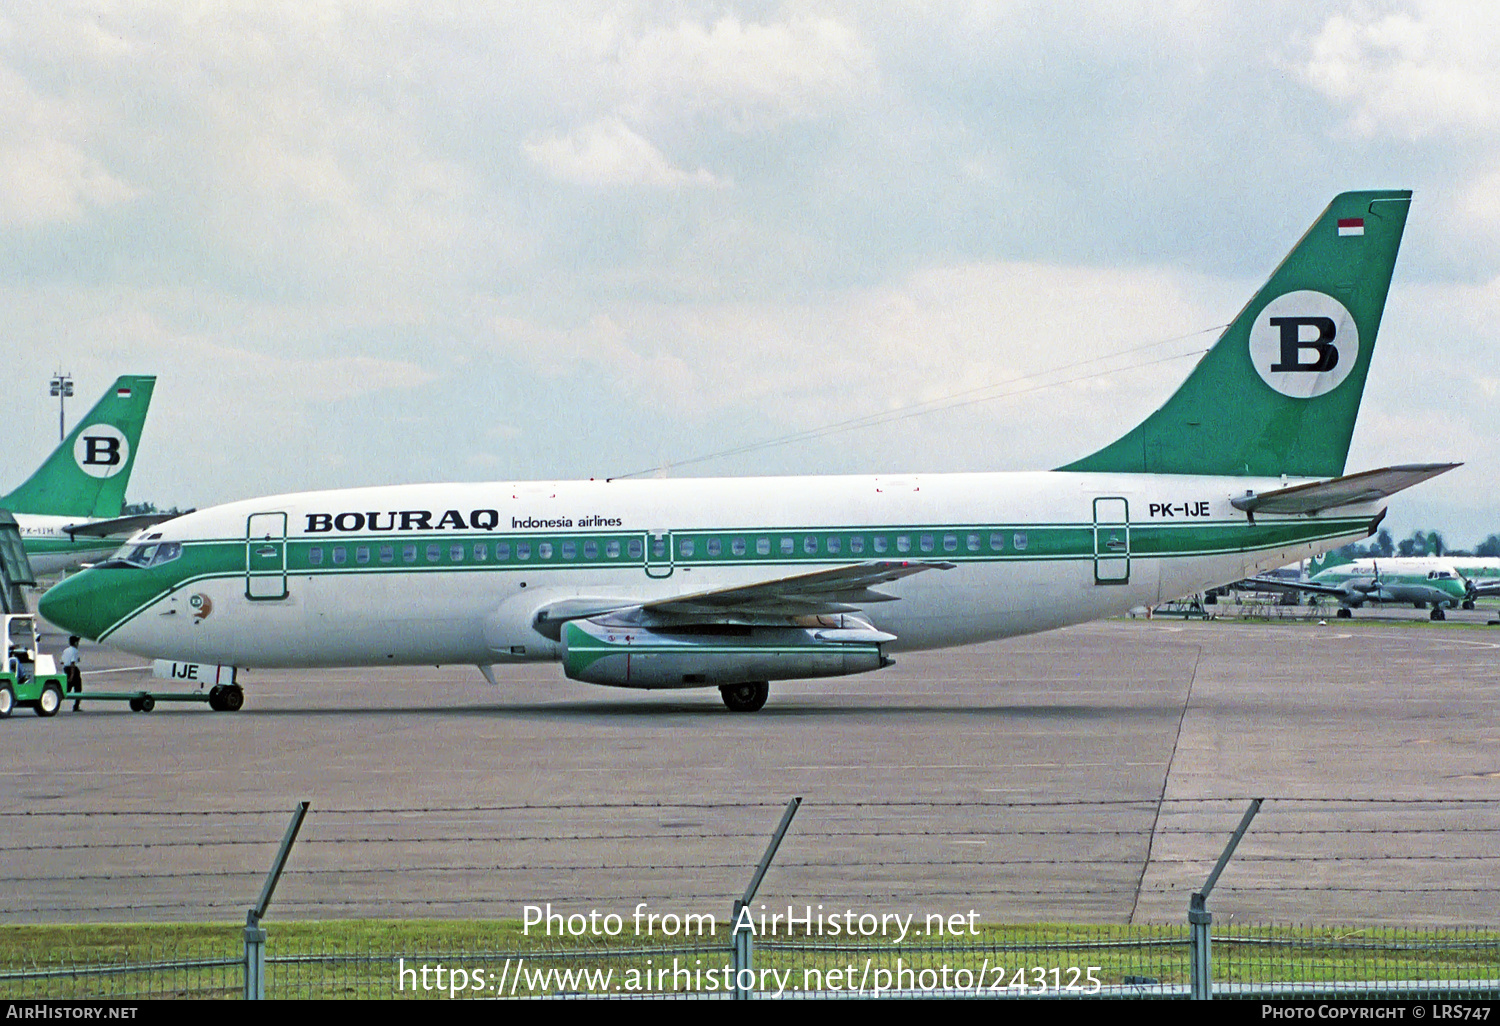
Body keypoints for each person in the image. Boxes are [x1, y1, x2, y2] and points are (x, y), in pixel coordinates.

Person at [61, 636, 82, 711]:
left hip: (66, 669)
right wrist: (72, 675)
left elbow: (62, 661)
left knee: (67, 688)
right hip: (73, 670)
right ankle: (76, 706)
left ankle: (57, 701)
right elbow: (73, 663)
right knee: (78, 689)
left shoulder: (66, 650)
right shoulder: (75, 651)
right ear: (75, 643)